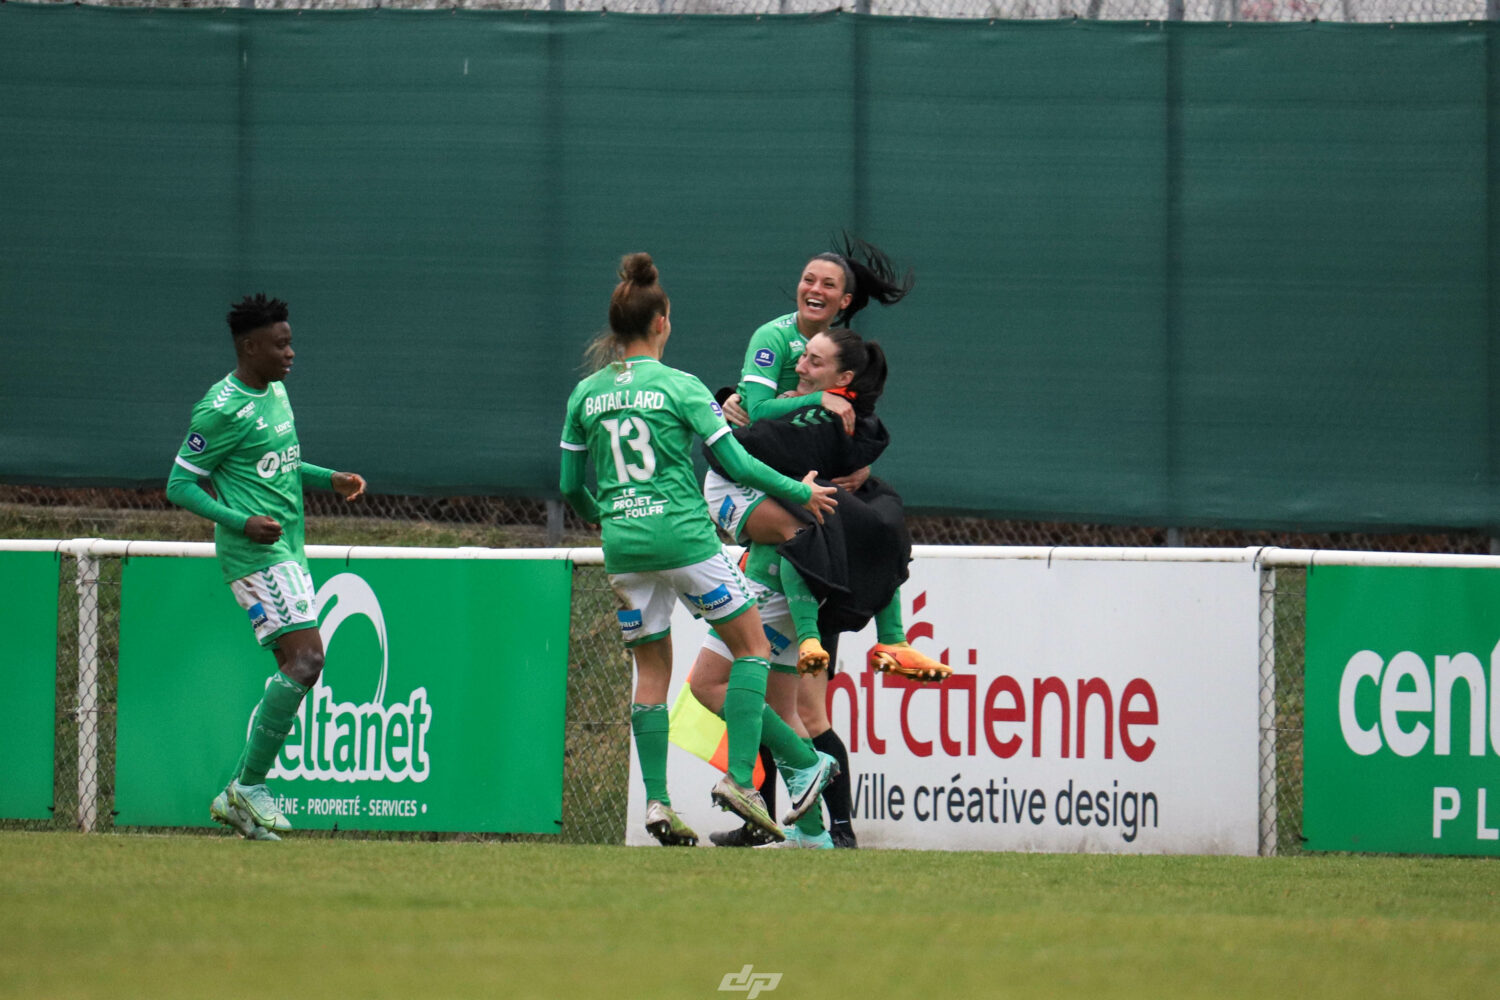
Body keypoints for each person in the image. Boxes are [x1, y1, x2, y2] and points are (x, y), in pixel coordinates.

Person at [559, 253, 838, 847]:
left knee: (651, 673)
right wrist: (798, 490)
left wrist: (605, 518)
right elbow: (734, 460)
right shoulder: (680, 386)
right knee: (754, 649)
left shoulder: (584, 393)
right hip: (685, 540)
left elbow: (566, 488)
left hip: (624, 550)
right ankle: (741, 780)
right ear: (661, 321)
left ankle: (658, 802)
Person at [698, 326, 946, 848]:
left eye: (813, 360)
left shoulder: (816, 417)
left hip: (780, 577)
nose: (801, 365)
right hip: (797, 581)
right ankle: (816, 835)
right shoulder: (836, 414)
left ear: (844, 378)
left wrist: (723, 413)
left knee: (713, 687)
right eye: (802, 356)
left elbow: (739, 450)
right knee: (789, 711)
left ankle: (807, 771)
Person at [166, 293, 367, 841]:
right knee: (308, 659)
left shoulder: (276, 392)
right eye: (280, 344)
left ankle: (239, 798)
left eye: (290, 341)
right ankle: (248, 787)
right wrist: (238, 521)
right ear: (250, 347)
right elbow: (178, 484)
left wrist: (331, 480)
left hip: (289, 550)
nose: (290, 352)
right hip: (254, 555)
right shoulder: (220, 409)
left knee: (302, 664)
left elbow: (282, 460)